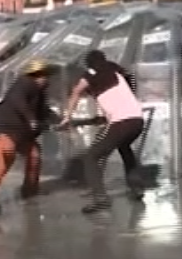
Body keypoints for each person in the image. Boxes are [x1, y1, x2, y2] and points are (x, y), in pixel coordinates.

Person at [62, 49, 146, 214]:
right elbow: (129, 80)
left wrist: (67, 116)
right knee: (124, 147)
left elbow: (76, 91)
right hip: (137, 119)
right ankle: (137, 188)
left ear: (89, 64)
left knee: (90, 157)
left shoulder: (92, 72)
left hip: (123, 121)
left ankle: (100, 199)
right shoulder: (115, 69)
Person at [0, 59, 57, 210]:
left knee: (34, 155)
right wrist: (31, 119)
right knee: (5, 159)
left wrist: (59, 120)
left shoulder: (39, 93)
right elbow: (17, 101)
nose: (45, 79)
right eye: (42, 75)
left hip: (21, 134)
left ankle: (30, 190)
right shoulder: (24, 83)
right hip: (3, 129)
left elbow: (45, 111)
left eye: (46, 75)